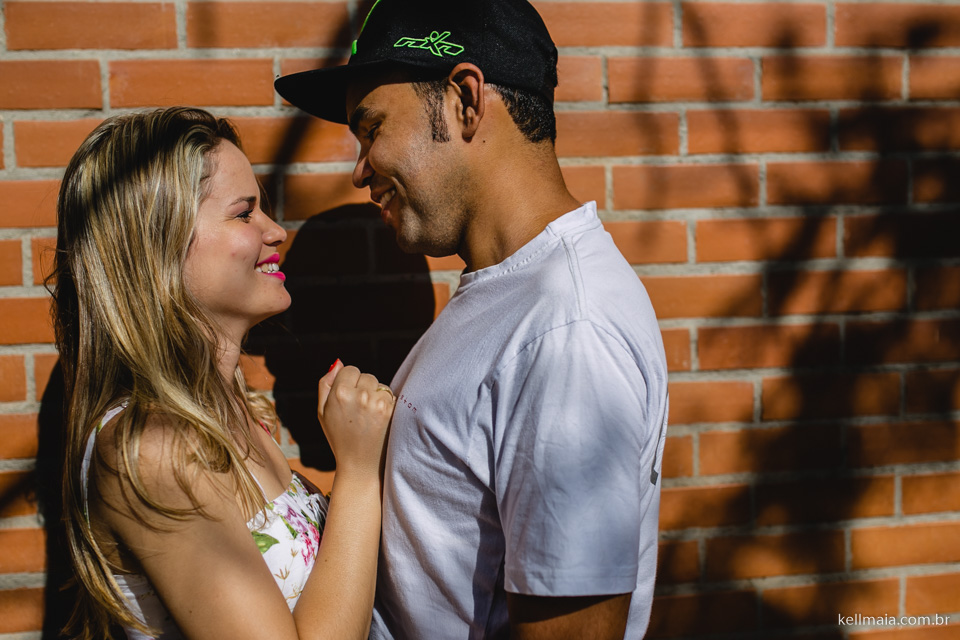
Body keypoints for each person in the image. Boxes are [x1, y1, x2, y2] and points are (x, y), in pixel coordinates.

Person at [276, 0, 670, 637]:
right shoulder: (509, 297)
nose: (358, 170)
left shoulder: (566, 331)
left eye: (370, 128)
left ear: (465, 98)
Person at [52, 107, 394, 640]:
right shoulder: (150, 447)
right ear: (159, 245)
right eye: (244, 213)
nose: (276, 231)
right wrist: (356, 471)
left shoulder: (234, 408)